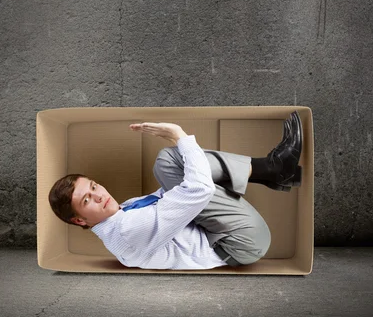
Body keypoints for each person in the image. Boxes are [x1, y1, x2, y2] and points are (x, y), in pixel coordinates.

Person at [48, 111, 303, 270]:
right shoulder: (128, 230)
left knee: (169, 162)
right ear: (80, 219)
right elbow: (199, 190)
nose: (100, 195)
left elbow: (178, 193)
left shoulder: (121, 213)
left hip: (218, 231)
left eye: (93, 186)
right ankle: (273, 169)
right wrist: (179, 135)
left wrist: (180, 147)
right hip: (241, 242)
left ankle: (274, 170)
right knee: (176, 163)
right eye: (87, 200)